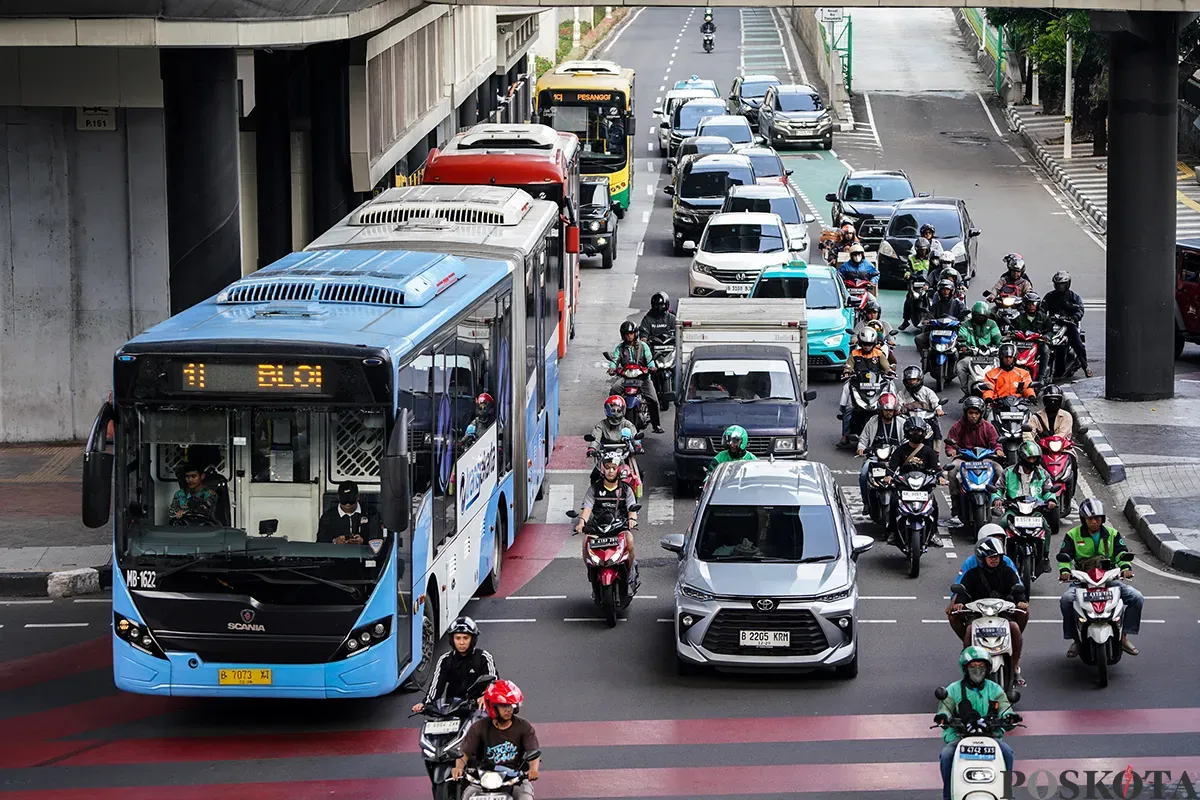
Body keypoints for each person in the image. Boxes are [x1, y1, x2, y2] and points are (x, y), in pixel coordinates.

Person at [1058, 498, 1144, 658]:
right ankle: (1076, 639)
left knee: (1137, 598)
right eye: (1091, 518)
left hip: (1108, 580)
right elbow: (1065, 557)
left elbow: (1121, 553)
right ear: (1084, 519)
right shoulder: (1073, 535)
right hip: (1082, 581)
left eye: (1097, 518)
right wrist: (1065, 571)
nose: (1094, 522)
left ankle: (1124, 636)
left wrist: (1126, 568)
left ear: (1102, 519)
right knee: (1066, 601)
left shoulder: (1112, 534)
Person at [935, 647, 1017, 800]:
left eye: (981, 666)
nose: (977, 670)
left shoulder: (995, 689)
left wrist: (1009, 717)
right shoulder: (953, 689)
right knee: (946, 755)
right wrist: (943, 717)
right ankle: (948, 796)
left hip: (990, 737)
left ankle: (1007, 793)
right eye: (973, 666)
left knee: (1007, 753)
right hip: (960, 738)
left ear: (987, 669)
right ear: (965, 668)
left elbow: (1005, 708)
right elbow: (945, 708)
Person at [947, 537, 1029, 684]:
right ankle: (968, 667)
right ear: (981, 558)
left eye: (996, 556)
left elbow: (1017, 588)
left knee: (1015, 628)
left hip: (1002, 613)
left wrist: (1021, 601)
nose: (994, 560)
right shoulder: (972, 574)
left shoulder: (1008, 571)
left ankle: (1015, 667)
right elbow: (963, 592)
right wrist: (959, 603)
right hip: (977, 615)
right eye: (990, 557)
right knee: (969, 630)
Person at [453, 680, 540, 799]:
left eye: (511, 705)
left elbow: (533, 752)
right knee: (467, 796)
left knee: (525, 797)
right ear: (492, 706)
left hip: (515, 779)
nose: (509, 709)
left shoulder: (524, 727)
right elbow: (465, 751)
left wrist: (533, 770)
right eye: (504, 706)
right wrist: (459, 768)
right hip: (483, 778)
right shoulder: (479, 727)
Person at [575, 452, 640, 588]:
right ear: (602, 468)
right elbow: (587, 509)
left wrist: (632, 520)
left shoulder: (626, 490)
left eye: (613, 467)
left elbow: (631, 510)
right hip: (598, 527)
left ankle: (629, 571)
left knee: (630, 540)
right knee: (585, 542)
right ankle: (591, 573)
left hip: (619, 527)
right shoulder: (594, 489)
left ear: (619, 469)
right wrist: (581, 523)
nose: (610, 471)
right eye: (607, 467)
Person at [412, 616, 497, 713]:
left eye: (466, 638)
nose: (461, 642)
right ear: (452, 640)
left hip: (479, 709)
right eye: (457, 638)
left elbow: (494, 682)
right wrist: (425, 704)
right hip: (452, 709)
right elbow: (436, 687)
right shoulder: (445, 660)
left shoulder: (484, 657)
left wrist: (486, 696)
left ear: (472, 639)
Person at [992, 441, 1059, 552]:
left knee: (1046, 528)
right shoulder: (1008, 472)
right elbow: (998, 488)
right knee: (1001, 526)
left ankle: (1045, 556)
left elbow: (1048, 490)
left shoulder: (1043, 474)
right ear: (1022, 458)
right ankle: (1000, 554)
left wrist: (1051, 499)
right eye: (1029, 458)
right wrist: (997, 498)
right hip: (1014, 510)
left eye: (1034, 458)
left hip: (1035, 511)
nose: (1032, 461)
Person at [944, 396, 1001, 525]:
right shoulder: (958, 426)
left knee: (999, 470)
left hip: (985, 458)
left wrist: (998, 450)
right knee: (952, 471)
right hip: (964, 459)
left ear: (981, 414)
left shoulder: (988, 427)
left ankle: (996, 501)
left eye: (976, 413)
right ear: (966, 413)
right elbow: (950, 443)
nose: (973, 416)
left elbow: (995, 442)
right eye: (971, 413)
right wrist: (951, 450)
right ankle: (955, 502)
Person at [838, 327, 894, 447]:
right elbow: (848, 366)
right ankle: (845, 435)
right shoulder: (854, 353)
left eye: (869, 344)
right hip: (857, 384)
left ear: (874, 343)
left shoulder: (879, 354)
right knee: (848, 406)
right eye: (864, 344)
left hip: (876, 384)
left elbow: (886, 367)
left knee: (891, 385)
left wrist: (889, 371)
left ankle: (896, 407)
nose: (867, 346)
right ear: (860, 343)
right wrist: (847, 371)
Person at [609, 320, 663, 433]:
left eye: (631, 333)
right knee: (613, 391)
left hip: (642, 378)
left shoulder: (644, 346)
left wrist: (651, 367)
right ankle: (612, 420)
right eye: (626, 334)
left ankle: (656, 425)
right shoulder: (620, 348)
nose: (629, 336)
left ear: (635, 333)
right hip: (626, 379)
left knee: (653, 399)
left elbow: (649, 359)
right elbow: (615, 359)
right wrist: (612, 368)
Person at [856, 392, 906, 509]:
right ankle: (866, 503)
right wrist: (861, 448)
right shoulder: (872, 422)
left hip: (895, 457)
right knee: (863, 474)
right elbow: (863, 439)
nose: (888, 413)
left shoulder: (901, 423)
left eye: (891, 410)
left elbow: (906, 440)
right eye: (886, 410)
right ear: (880, 410)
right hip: (875, 457)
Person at [1043, 270, 1093, 378]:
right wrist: (1043, 318)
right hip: (1053, 325)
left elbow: (1080, 309)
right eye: (1058, 284)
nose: (1060, 287)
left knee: (1078, 345)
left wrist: (1074, 317)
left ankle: (1086, 367)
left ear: (1068, 284)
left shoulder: (1074, 297)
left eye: (1062, 284)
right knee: (1041, 340)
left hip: (1068, 325)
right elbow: (1042, 309)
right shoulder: (1049, 296)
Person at [638, 291, 677, 410]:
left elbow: (678, 332)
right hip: (653, 352)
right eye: (657, 306)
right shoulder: (647, 319)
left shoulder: (671, 318)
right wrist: (645, 341)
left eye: (662, 305)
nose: (659, 308)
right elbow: (643, 336)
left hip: (669, 351)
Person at [955, 301, 1003, 395]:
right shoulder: (966, 324)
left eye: (983, 316)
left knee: (1003, 366)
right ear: (973, 315)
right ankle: (966, 392)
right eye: (978, 316)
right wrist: (963, 346)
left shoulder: (992, 324)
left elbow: (998, 337)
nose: (980, 318)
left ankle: (1001, 391)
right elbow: (962, 336)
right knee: (960, 365)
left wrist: (1000, 346)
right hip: (972, 355)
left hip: (991, 355)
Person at [915, 280, 970, 359]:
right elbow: (929, 315)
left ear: (951, 291)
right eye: (943, 290)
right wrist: (926, 321)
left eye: (947, 289)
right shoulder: (936, 305)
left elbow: (965, 315)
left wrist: (963, 321)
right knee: (919, 339)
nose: (945, 292)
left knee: (965, 343)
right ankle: (927, 358)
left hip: (954, 332)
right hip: (937, 332)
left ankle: (960, 360)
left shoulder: (958, 304)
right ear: (939, 291)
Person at [316, 480, 382, 545]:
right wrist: (335, 542)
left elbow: (378, 539)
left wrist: (363, 541)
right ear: (338, 498)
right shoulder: (328, 517)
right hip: (338, 554)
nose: (348, 504)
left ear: (357, 497)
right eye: (344, 499)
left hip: (363, 554)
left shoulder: (371, 513)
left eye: (351, 499)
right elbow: (320, 542)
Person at [897, 365, 944, 449]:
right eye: (909, 380)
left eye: (913, 380)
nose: (911, 382)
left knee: (936, 428)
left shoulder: (927, 391)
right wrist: (898, 410)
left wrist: (938, 409)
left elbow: (935, 402)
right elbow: (898, 405)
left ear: (919, 379)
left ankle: (936, 453)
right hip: (908, 420)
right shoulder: (901, 393)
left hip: (926, 420)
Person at [954, 524, 1019, 582]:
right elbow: (959, 585)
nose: (994, 559)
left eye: (1000, 540)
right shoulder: (970, 562)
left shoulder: (1007, 561)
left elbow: (1018, 584)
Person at [1012, 291, 1052, 380]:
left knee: (1045, 350)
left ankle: (1042, 375)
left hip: (1038, 342)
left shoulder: (1044, 318)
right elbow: (1012, 329)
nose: (1031, 306)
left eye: (1034, 304)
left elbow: (1050, 330)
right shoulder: (1019, 318)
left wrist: (1046, 336)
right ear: (1025, 305)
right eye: (1029, 304)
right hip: (1021, 342)